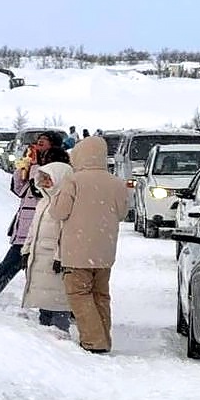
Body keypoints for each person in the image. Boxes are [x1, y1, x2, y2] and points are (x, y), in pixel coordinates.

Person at [50, 134, 130, 353]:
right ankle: (104, 337)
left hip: (77, 251)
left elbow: (59, 212)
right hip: (105, 250)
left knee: (79, 294)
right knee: (100, 295)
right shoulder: (116, 183)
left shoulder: (74, 181)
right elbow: (122, 213)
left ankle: (94, 341)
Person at [0, 132, 63, 301]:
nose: (37, 146)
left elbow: (40, 190)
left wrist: (35, 166)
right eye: (37, 142)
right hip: (24, 224)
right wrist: (22, 168)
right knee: (11, 266)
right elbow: (20, 190)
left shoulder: (55, 168)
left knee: (39, 272)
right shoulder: (34, 164)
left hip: (39, 228)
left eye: (42, 143)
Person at [21, 161, 75, 331]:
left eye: (48, 179)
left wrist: (60, 257)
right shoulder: (43, 202)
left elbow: (67, 233)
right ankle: (45, 337)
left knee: (58, 302)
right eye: (42, 179)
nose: (44, 183)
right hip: (39, 259)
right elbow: (33, 229)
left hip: (55, 261)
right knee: (44, 302)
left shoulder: (65, 203)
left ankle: (60, 337)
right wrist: (26, 249)